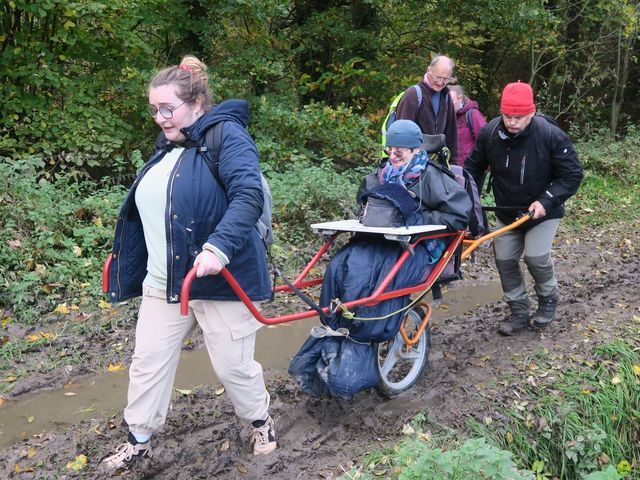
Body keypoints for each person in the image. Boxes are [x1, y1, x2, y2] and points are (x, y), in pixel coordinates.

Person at [103, 55, 276, 469]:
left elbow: (248, 195)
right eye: (154, 109)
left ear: (196, 101)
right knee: (147, 363)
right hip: (164, 280)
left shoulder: (227, 136)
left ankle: (260, 421)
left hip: (220, 277)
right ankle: (139, 439)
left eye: (167, 108)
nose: (160, 118)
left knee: (233, 367)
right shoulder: (167, 145)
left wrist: (218, 247)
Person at [289, 120, 472, 398]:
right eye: (391, 148)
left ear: (415, 148)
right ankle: (335, 330)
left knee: (376, 284)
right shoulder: (379, 176)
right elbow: (364, 208)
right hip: (379, 243)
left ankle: (364, 338)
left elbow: (459, 214)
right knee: (340, 265)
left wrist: (418, 218)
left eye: (401, 148)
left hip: (418, 246)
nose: (394, 153)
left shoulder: (432, 178)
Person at [464, 81, 583, 335]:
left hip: (542, 211)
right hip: (507, 212)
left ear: (532, 112)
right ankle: (518, 311)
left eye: (519, 117)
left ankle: (548, 300)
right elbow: (472, 170)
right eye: (508, 116)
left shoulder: (550, 135)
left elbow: (572, 175)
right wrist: (466, 201)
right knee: (504, 259)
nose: (512, 122)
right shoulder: (490, 133)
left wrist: (547, 200)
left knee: (536, 257)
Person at [395, 55, 459, 165]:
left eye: (445, 79)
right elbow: (401, 134)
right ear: (429, 71)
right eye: (437, 77)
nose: (440, 82)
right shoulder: (412, 95)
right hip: (412, 164)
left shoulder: (446, 97)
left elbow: (451, 135)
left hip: (437, 165)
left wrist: (453, 165)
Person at [448, 84, 486, 166]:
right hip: (451, 167)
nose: (448, 105)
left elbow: (485, 141)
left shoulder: (473, 114)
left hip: (470, 168)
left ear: (460, 98)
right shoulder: (447, 116)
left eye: (451, 101)